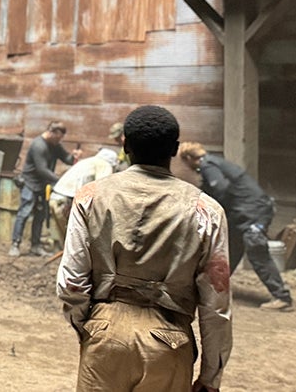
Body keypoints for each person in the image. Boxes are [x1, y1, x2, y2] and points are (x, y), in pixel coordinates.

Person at [57, 105, 232, 392]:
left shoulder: (90, 197)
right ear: (174, 149)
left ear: (125, 144)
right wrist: (211, 376)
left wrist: (87, 329)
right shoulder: (206, 210)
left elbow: (71, 283)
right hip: (170, 341)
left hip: (103, 334)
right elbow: (217, 306)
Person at [178, 142, 293, 311]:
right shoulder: (213, 162)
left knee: (257, 251)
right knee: (229, 251)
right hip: (243, 214)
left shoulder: (207, 165)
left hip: (252, 213)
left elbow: (221, 189)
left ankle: (282, 297)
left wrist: (213, 209)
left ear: (189, 158)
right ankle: (215, 289)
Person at [10, 121, 81, 257]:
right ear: (51, 132)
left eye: (61, 138)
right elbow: (42, 170)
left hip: (42, 186)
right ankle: (15, 244)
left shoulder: (55, 145)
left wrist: (74, 158)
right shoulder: (38, 145)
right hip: (30, 184)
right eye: (58, 137)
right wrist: (62, 181)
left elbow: (66, 158)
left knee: (40, 216)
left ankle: (35, 246)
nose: (59, 141)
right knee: (24, 214)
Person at [48, 148, 119, 247]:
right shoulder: (105, 165)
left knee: (68, 243)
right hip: (66, 203)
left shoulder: (88, 162)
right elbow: (102, 190)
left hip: (55, 199)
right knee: (75, 244)